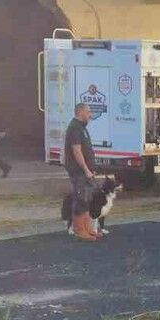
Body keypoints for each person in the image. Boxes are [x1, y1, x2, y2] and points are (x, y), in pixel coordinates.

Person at [65, 103, 100, 242]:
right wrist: (86, 169)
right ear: (81, 112)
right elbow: (77, 151)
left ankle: (87, 228)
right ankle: (80, 230)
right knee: (81, 199)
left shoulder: (81, 128)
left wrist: (92, 168)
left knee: (87, 199)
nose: (90, 115)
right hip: (79, 171)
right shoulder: (75, 128)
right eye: (88, 112)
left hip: (86, 171)